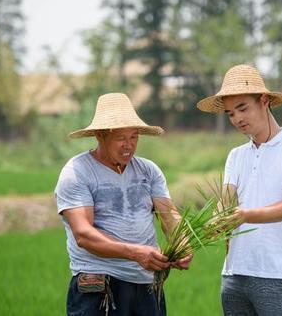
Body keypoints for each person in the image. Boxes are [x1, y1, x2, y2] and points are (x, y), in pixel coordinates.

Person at [55, 93, 191, 316]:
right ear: (100, 136)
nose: (129, 145)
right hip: (100, 284)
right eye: (120, 138)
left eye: (134, 137)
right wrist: (136, 253)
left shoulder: (148, 170)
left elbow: (169, 215)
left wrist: (182, 243)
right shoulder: (77, 172)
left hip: (146, 284)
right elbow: (83, 235)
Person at [197, 64, 282, 316]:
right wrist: (208, 225)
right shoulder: (235, 155)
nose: (237, 119)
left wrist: (244, 215)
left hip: (279, 275)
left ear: (264, 101)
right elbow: (226, 204)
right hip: (234, 277)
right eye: (230, 113)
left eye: (243, 108)